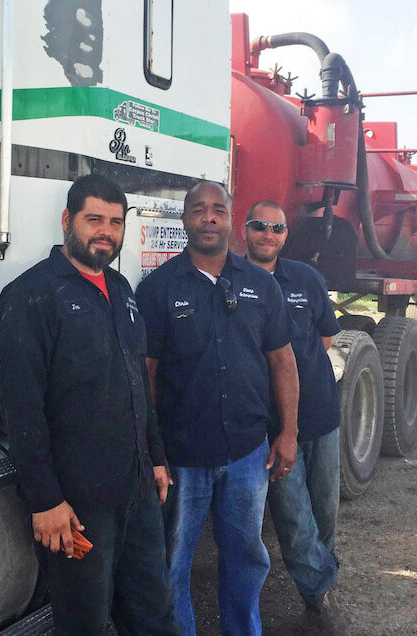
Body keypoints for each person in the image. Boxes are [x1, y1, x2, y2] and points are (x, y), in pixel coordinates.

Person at [0, 175, 178, 635]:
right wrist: (46, 500)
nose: (106, 232)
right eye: (94, 219)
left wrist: (154, 458)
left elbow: (137, 379)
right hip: (78, 508)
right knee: (85, 623)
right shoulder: (31, 296)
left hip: (135, 496)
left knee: (154, 615)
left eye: (115, 222)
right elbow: (21, 408)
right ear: (67, 221)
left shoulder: (121, 289)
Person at [136, 181, 300, 636]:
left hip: (247, 452)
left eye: (218, 210)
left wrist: (287, 433)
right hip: (183, 456)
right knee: (174, 563)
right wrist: (153, 451)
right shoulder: (158, 289)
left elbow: (282, 360)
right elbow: (145, 374)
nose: (208, 217)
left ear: (231, 221)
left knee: (246, 559)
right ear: (185, 220)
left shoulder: (261, 285)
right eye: (198, 210)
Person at [244, 200, 348, 633]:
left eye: (277, 227)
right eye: (259, 226)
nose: (268, 234)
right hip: (269, 426)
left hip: (321, 415)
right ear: (245, 230)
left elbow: (325, 337)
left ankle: (317, 587)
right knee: (291, 516)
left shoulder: (307, 279)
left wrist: (296, 377)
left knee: (324, 510)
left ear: (286, 235)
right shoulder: (233, 281)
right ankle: (322, 590)